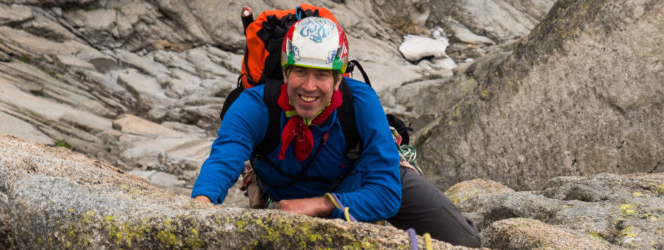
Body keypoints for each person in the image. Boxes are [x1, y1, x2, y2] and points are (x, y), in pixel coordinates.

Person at [190, 15, 480, 247]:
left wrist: (322, 205)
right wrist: (200, 208)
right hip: (287, 192)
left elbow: (387, 193)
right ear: (285, 71)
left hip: (358, 181)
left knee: (464, 241)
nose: (309, 86)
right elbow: (222, 161)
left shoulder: (360, 102)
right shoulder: (255, 106)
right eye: (300, 71)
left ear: (339, 78)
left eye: (322, 75)